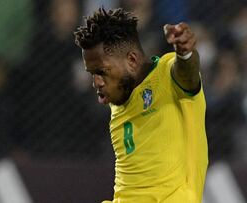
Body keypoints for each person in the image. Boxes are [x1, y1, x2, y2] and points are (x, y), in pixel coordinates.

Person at [74, 8, 208, 202]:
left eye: (102, 71)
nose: (96, 82)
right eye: (92, 74)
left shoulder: (166, 75)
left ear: (132, 60)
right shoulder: (120, 101)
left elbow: (186, 74)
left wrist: (185, 55)